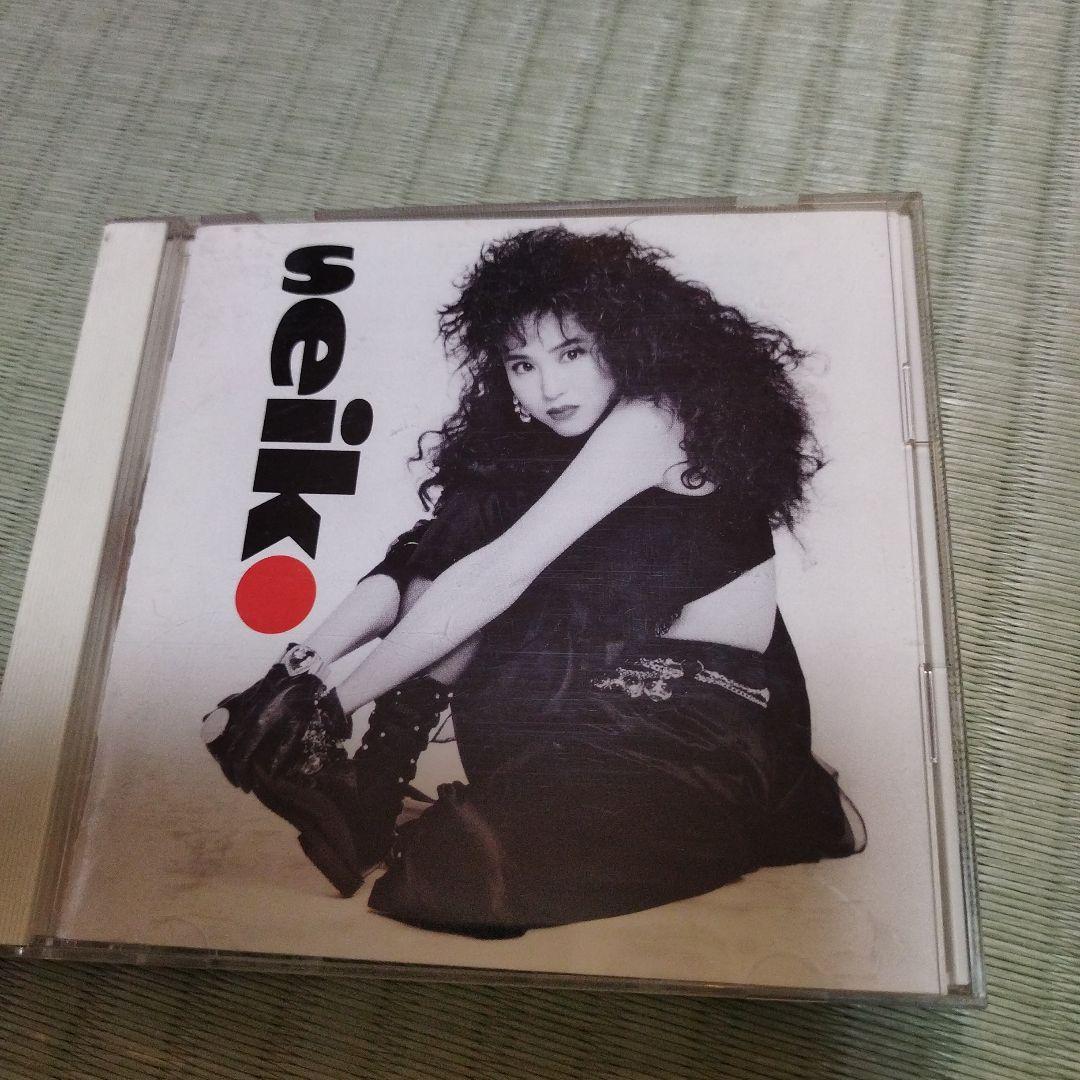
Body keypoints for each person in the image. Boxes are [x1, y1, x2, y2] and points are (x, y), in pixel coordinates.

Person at [202, 225, 864, 937]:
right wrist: (296, 672)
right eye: (522, 364)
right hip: (587, 704)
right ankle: (373, 778)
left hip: (701, 732)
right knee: (471, 516)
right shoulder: (544, 443)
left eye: (572, 352)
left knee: (459, 872)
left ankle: (371, 790)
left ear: (626, 338)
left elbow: (500, 573)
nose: (548, 387)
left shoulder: (657, 417)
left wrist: (330, 706)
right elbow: (426, 562)